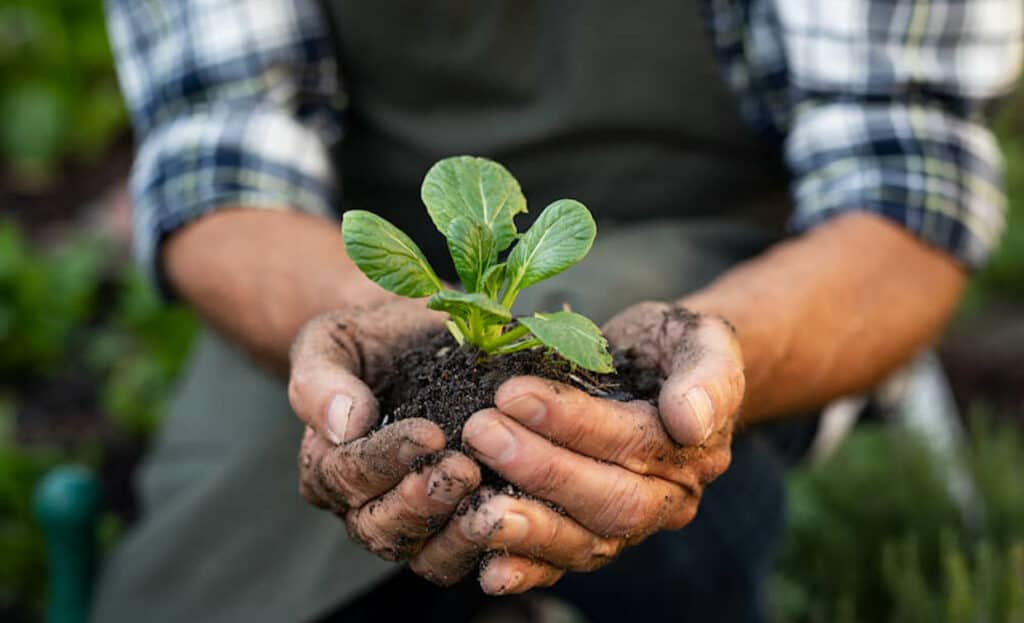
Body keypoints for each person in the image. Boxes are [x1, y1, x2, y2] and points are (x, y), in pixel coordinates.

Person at [96, 1, 1022, 622]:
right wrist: (361, 333)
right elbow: (218, 156)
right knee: (206, 572)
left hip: (736, 263)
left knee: (663, 501)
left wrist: (716, 361)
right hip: (335, 275)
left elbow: (901, 186)